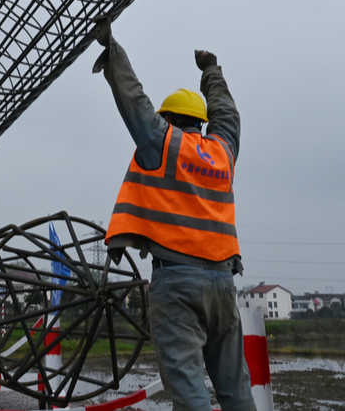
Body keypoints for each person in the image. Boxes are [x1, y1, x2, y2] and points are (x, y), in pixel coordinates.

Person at [93, 21, 255, 411]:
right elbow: (228, 117)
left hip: (178, 281)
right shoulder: (222, 152)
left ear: (167, 117)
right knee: (235, 390)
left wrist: (110, 46)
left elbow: (133, 98)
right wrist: (211, 72)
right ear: (200, 122)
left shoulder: (160, 142)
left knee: (189, 391)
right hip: (222, 284)